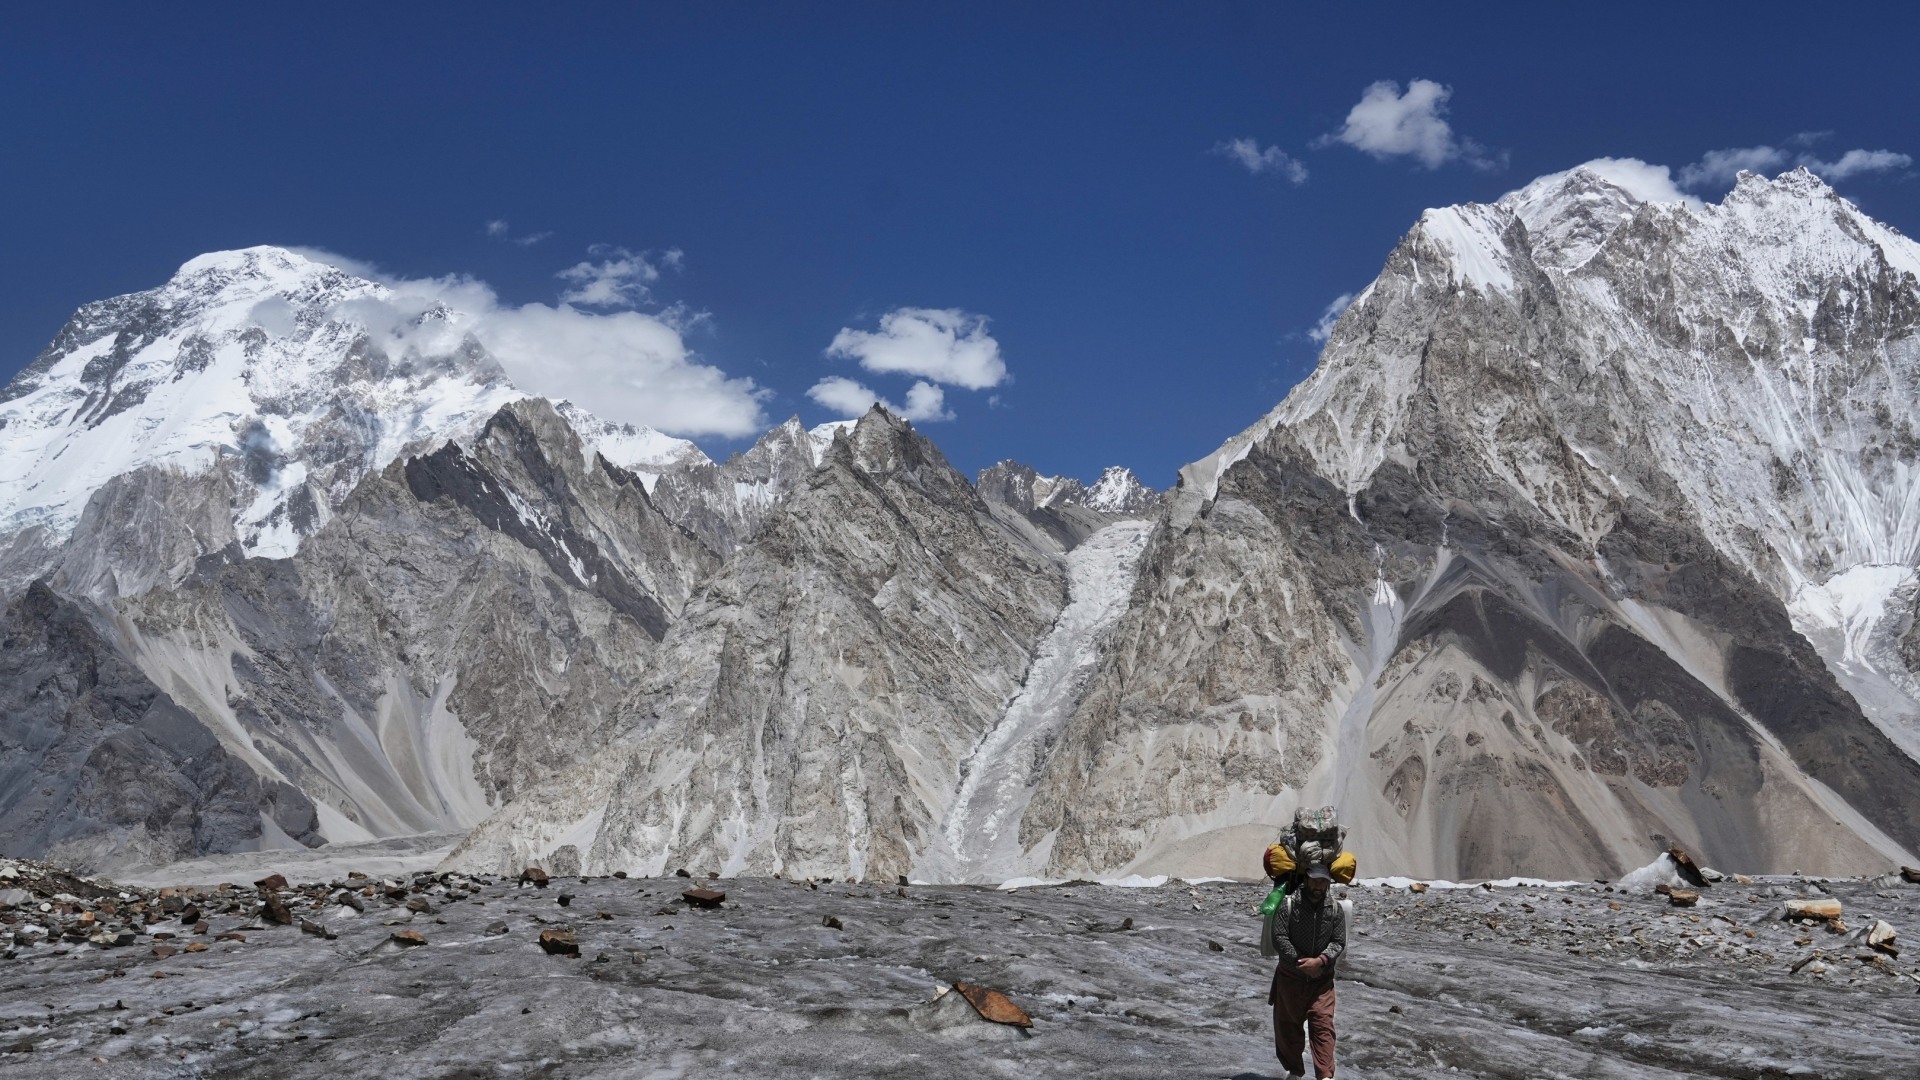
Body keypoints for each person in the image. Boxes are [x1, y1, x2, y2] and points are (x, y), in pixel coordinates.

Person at [1268, 862, 1348, 1079]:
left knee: (1323, 1026)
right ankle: (1295, 1071)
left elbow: (1339, 941)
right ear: (1306, 880)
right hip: (1290, 979)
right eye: (1314, 880)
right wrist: (1301, 961)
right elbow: (1279, 937)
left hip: (1321, 982)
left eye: (1323, 881)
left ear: (1328, 883)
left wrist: (1320, 961)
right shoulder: (1288, 905)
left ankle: (1325, 1075)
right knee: (1288, 1029)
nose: (1318, 885)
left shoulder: (1335, 909)